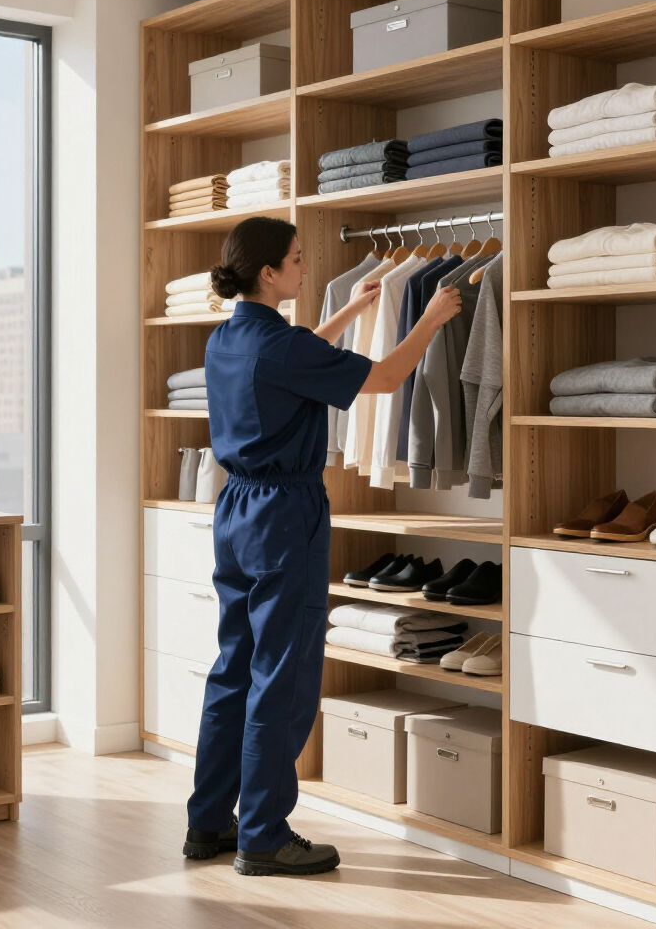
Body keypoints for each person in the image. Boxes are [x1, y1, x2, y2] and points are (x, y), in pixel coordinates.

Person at [183, 216, 462, 876]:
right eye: (298, 259)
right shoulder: (283, 346)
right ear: (270, 273)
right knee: (283, 675)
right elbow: (389, 377)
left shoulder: (227, 339)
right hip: (285, 516)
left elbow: (296, 360)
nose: (306, 268)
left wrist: (354, 310)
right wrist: (434, 317)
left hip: (236, 511)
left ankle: (209, 824)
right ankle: (265, 836)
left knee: (234, 669)